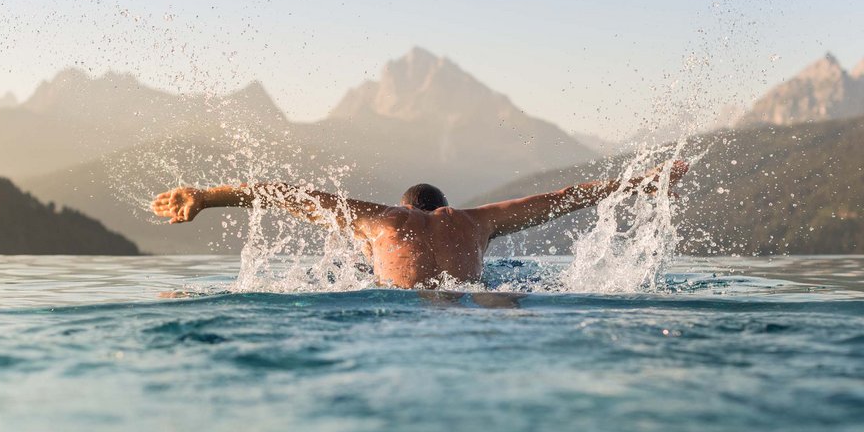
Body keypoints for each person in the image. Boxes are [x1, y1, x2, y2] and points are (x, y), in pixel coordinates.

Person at [151, 161, 688, 289]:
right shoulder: (473, 223)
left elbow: (284, 195)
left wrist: (205, 197)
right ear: (441, 209)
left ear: (405, 209)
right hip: (470, 307)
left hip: (392, 311)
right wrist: (637, 183)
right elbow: (559, 198)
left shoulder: (377, 220)